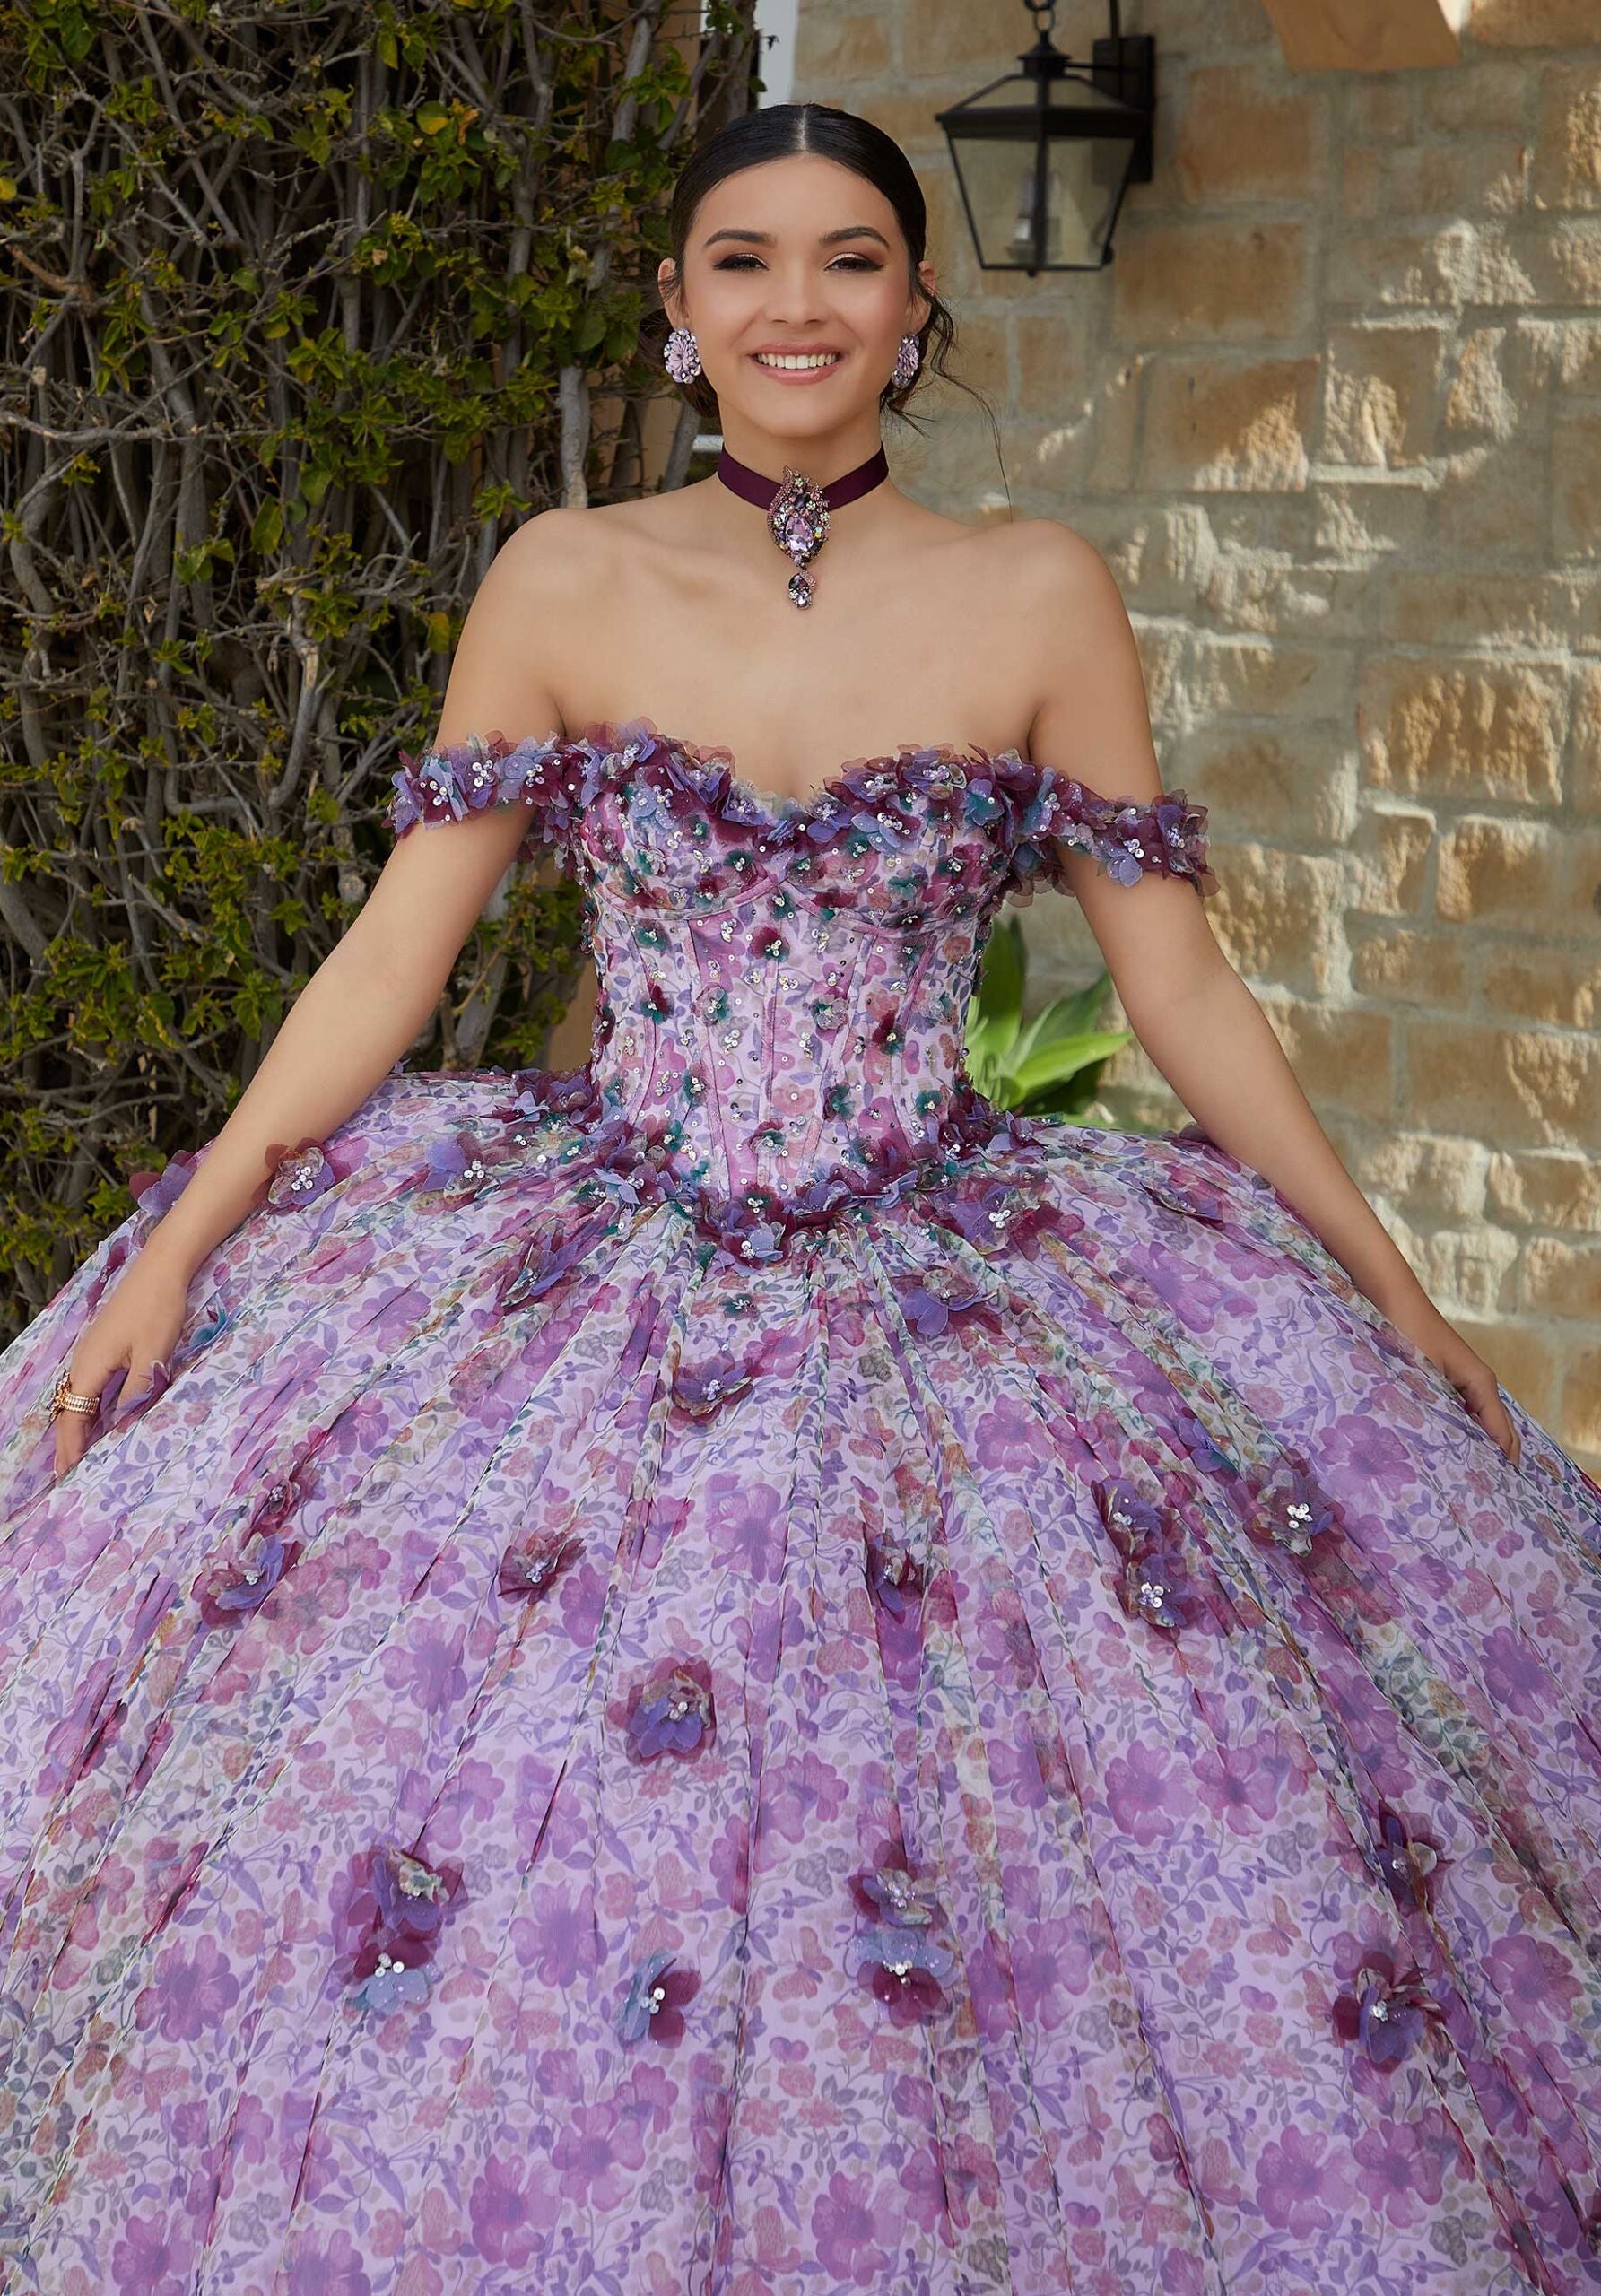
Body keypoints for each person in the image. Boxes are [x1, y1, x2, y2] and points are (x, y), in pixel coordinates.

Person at [2, 96, 1598, 2296]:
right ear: (674, 309)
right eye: (742, 260)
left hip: (947, 1280)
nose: (795, 304)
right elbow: (401, 951)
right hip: (597, 1249)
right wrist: (183, 1246)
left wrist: (1383, 1277)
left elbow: (1177, 982)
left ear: (915, 306)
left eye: (848, 259)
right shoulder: (562, 577)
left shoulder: (1036, 584)